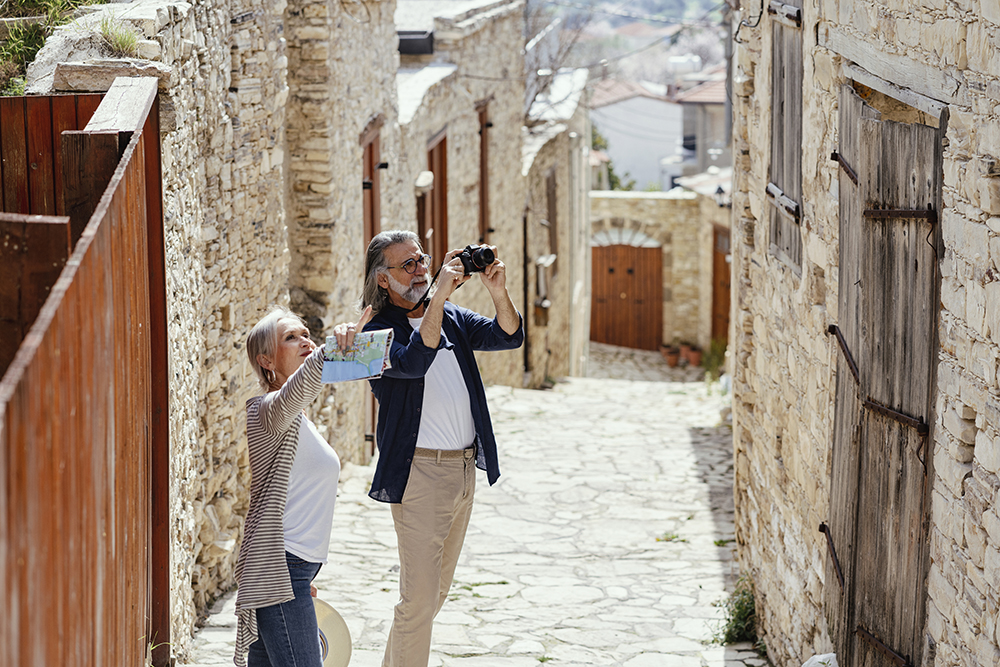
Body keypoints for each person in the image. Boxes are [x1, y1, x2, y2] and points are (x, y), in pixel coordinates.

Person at [360, 230, 524, 667]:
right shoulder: (374, 334)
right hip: (420, 476)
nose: (419, 270)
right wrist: (438, 296)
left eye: (421, 259)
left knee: (432, 599)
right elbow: (414, 362)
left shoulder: (449, 316)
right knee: (418, 601)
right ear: (382, 279)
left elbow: (508, 336)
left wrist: (497, 292)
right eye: (407, 265)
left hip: (464, 471)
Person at [233, 304, 372, 667]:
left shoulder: (299, 420)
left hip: (297, 569)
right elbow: (299, 388)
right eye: (290, 338)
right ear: (266, 360)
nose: (305, 342)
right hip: (282, 569)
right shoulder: (265, 411)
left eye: (306, 335)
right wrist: (333, 348)